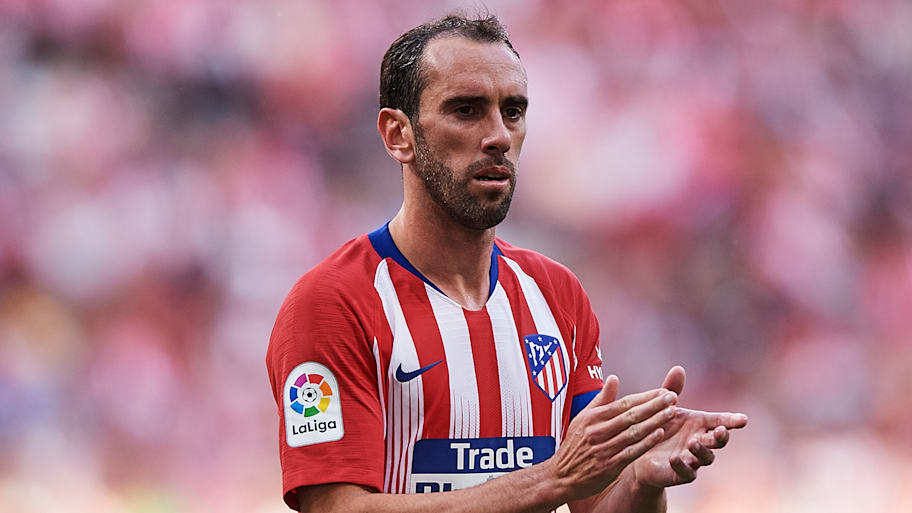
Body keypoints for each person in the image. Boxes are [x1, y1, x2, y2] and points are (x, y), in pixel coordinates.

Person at [266, 13, 747, 513]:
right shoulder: (332, 303)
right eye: (466, 110)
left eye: (512, 111)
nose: (498, 135)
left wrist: (643, 482)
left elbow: (594, 500)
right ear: (397, 134)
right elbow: (337, 508)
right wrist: (552, 480)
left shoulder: (555, 294)